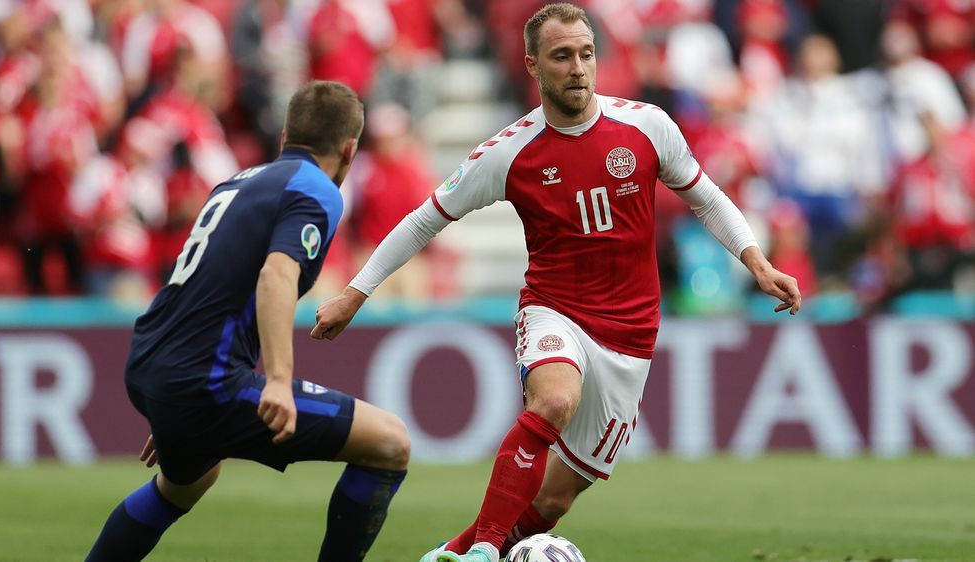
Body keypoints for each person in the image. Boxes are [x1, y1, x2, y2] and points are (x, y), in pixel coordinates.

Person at [313, 4, 801, 562]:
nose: (577, 67)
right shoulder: (509, 152)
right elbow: (425, 219)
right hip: (555, 310)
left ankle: (452, 553)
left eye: (586, 54)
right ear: (532, 65)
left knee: (551, 500)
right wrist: (355, 292)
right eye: (562, 56)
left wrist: (757, 263)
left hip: (631, 336)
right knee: (554, 399)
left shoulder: (647, 126)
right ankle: (484, 553)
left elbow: (707, 198)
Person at [85, 81, 411, 562]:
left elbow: (201, 281)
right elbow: (276, 274)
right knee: (390, 444)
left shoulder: (237, 183)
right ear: (349, 149)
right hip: (199, 380)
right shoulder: (316, 190)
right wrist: (277, 380)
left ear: (284, 137)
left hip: (154, 362)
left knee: (188, 482)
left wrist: (174, 398)